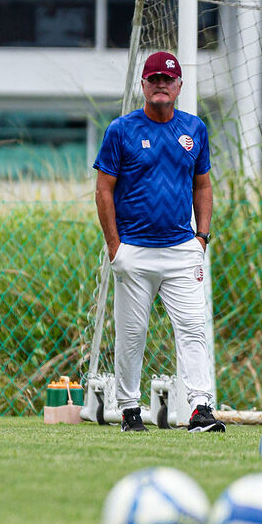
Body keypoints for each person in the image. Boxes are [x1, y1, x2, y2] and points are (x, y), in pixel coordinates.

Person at [93, 51, 225, 433]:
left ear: (179, 86)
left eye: (168, 79)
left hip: (182, 249)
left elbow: (203, 185)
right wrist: (114, 246)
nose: (161, 85)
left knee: (194, 327)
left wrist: (201, 237)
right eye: (154, 79)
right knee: (132, 333)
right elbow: (104, 190)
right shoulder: (121, 130)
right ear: (144, 86)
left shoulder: (194, 129)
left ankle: (201, 408)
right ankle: (130, 409)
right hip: (134, 249)